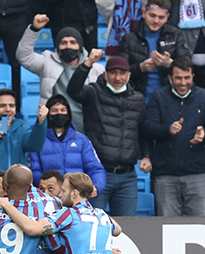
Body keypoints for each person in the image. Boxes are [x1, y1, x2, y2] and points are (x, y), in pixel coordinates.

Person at [67, 52, 145, 216]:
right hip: (98, 174)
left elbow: (142, 131)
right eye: (113, 73)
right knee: (92, 223)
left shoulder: (137, 99)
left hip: (128, 175)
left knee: (128, 230)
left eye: (122, 73)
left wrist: (147, 155)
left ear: (129, 75)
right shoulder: (93, 93)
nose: (118, 78)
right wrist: (88, 63)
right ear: (105, 74)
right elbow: (73, 90)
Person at [142, 57, 205, 216]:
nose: (183, 82)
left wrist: (204, 134)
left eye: (187, 78)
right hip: (165, 176)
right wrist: (167, 129)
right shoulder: (158, 96)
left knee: (202, 227)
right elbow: (148, 127)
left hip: (197, 174)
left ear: (193, 77)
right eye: (178, 78)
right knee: (167, 230)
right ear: (170, 78)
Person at [16, 16, 105, 134]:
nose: (68, 46)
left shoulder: (96, 68)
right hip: (53, 124)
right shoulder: (47, 62)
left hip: (86, 127)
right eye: (63, 43)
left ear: (80, 46)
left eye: (73, 42)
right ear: (57, 46)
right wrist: (34, 29)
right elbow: (23, 56)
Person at [30, 94, 106, 194]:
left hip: (77, 196)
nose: (59, 113)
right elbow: (34, 171)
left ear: (68, 113)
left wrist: (96, 187)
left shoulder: (81, 140)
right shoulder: (39, 140)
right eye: (54, 111)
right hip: (49, 198)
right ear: (48, 114)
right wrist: (50, 188)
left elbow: (95, 168)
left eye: (63, 110)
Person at [0, 88, 48, 188]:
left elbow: (35, 146)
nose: (8, 109)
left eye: (11, 105)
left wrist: (40, 123)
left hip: (17, 190)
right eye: (2, 106)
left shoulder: (22, 129)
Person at [117, 0, 190, 103]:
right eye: (152, 15)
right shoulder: (129, 39)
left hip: (169, 99)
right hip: (137, 99)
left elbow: (188, 65)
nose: (156, 21)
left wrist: (170, 64)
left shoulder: (175, 35)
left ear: (167, 17)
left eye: (161, 17)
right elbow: (119, 72)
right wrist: (140, 68)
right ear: (144, 13)